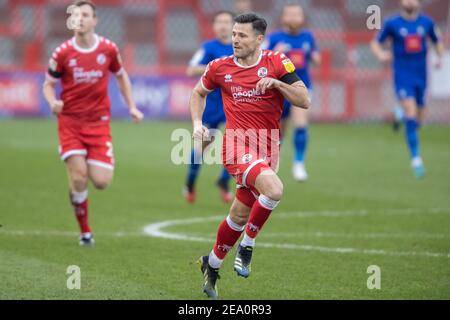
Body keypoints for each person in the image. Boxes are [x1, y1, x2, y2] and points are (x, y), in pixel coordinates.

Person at [190, 13, 310, 298]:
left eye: (242, 35)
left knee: (239, 214)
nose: (234, 40)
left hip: (268, 147)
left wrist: (278, 84)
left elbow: (304, 100)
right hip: (235, 146)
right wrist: (197, 124)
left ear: (259, 39)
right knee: (275, 189)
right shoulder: (219, 67)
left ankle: (212, 264)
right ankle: (248, 245)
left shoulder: (277, 62)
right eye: (233, 34)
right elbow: (198, 93)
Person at [42, 0, 143, 245]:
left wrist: (131, 106)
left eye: (85, 15)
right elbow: (48, 84)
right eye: (76, 15)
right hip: (70, 122)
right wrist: (52, 102)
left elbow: (121, 76)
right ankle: (85, 231)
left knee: (100, 181)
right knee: (78, 176)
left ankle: (82, 178)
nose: (80, 19)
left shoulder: (108, 49)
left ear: (95, 20)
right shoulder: (63, 52)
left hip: (98, 123)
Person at [371, 0, 444, 178]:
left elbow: (437, 41)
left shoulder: (427, 23)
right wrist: (381, 54)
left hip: (421, 77)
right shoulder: (392, 23)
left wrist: (439, 57)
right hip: (402, 77)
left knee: (418, 119)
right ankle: (416, 159)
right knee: (411, 112)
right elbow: (376, 43)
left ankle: (399, 115)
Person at [265, 3, 320, 182]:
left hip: (300, 88)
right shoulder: (274, 38)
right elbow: (262, 60)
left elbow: (316, 58)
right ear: (283, 17)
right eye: (290, 14)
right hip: (280, 90)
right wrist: (276, 53)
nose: (294, 18)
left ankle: (299, 164)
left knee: (301, 124)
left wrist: (313, 55)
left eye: (297, 15)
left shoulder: (308, 37)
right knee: (280, 130)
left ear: (302, 18)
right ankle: (272, 162)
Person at [184, 11, 234, 204]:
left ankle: (224, 180)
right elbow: (191, 69)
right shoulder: (208, 47)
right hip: (212, 105)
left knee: (235, 144)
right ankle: (190, 181)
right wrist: (217, 68)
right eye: (219, 22)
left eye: (227, 22)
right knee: (204, 143)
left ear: (233, 26)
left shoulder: (239, 47)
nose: (223, 26)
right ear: (214, 26)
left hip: (234, 104)